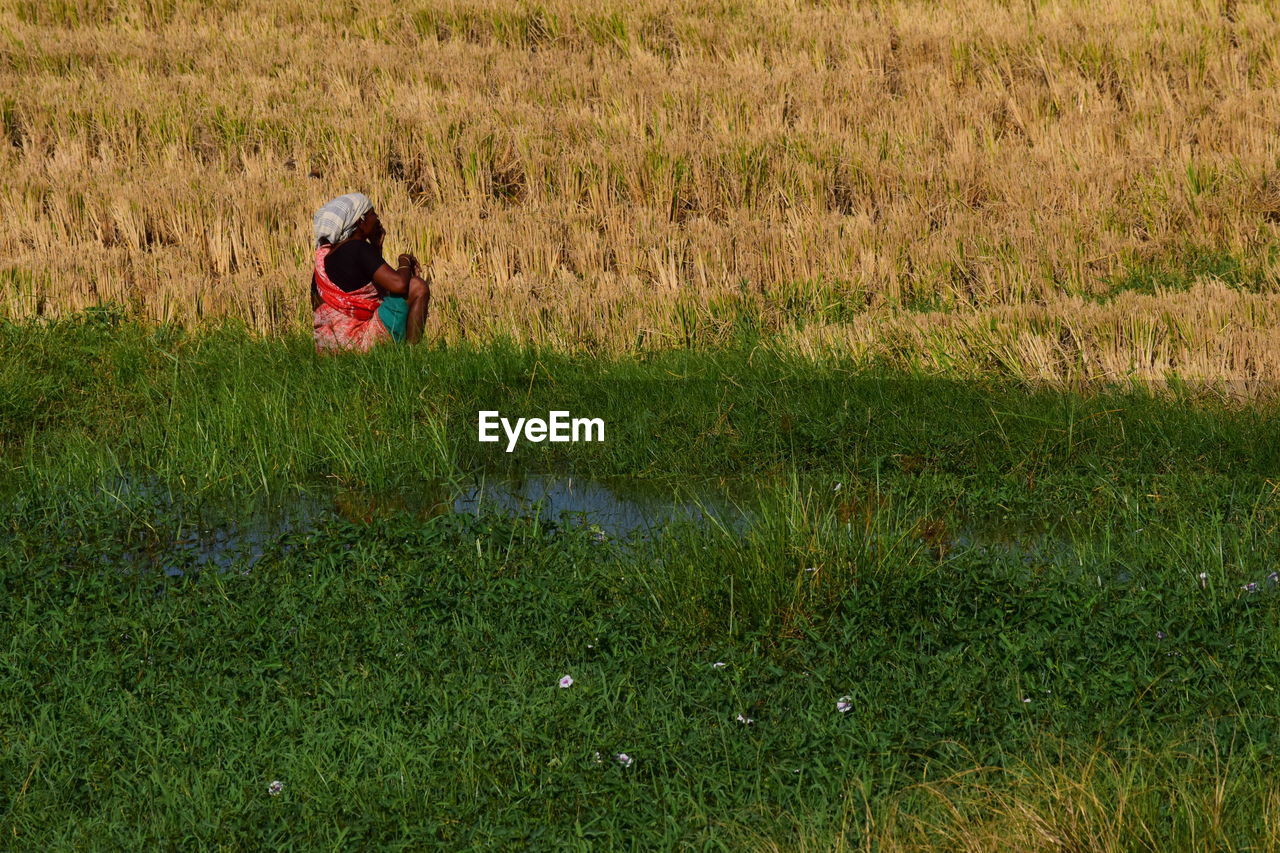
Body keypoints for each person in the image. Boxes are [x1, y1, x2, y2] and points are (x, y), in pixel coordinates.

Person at [310, 193, 430, 353]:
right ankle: (411, 357)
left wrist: (376, 248)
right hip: (358, 342)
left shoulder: (324, 259)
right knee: (417, 286)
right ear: (360, 221)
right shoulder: (357, 248)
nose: (377, 217)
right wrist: (404, 260)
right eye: (372, 213)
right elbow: (398, 285)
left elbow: (369, 287)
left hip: (329, 346)